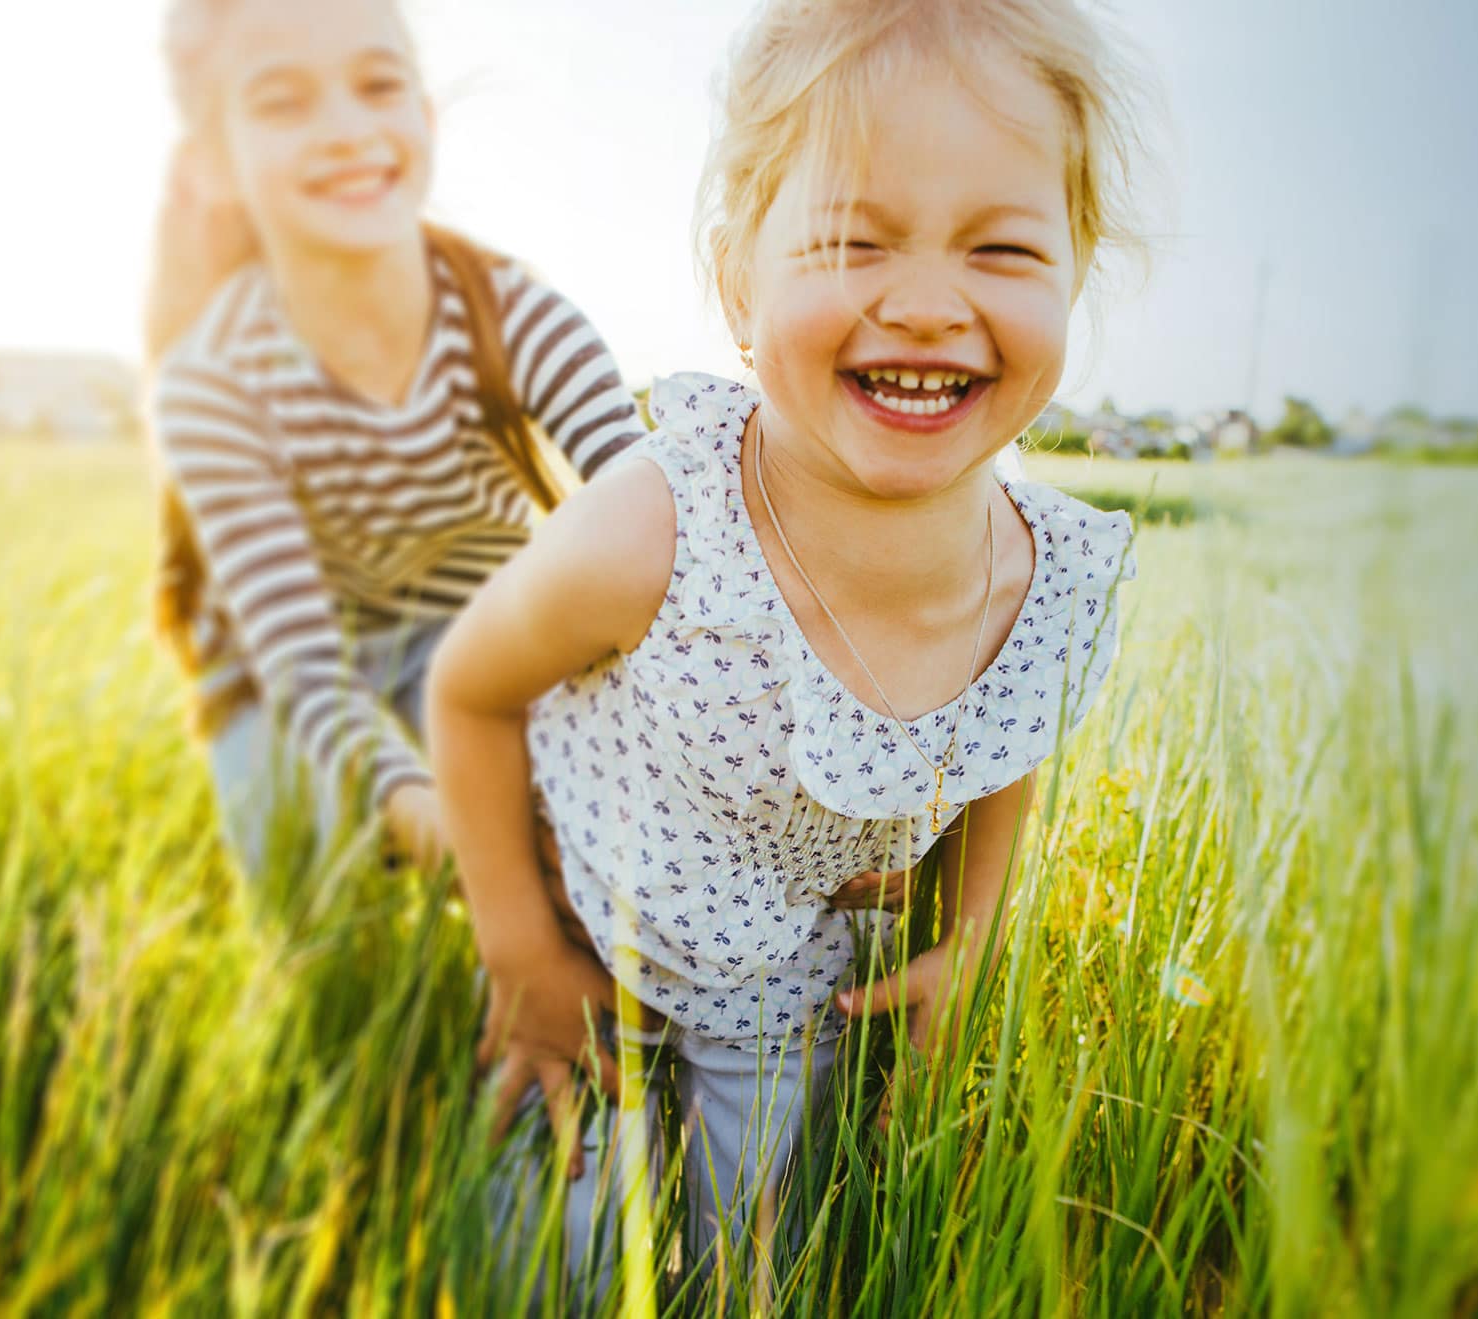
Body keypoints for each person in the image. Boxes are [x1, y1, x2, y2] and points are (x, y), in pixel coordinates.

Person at [427, 0, 1150, 1299]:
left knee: (756, 1259)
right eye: (849, 238)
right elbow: (472, 692)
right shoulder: (653, 525)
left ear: (1076, 268)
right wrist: (519, 948)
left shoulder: (1055, 576)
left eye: (1003, 247)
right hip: (594, 944)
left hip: (788, 994)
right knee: (562, 1265)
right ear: (735, 281)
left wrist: (968, 933)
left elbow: (1009, 740)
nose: (928, 304)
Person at [145, 0, 648, 884]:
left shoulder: (518, 319)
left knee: (596, 827)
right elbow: (304, 666)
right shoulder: (210, 383)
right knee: (320, 903)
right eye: (283, 101)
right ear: (213, 166)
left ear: (424, 116)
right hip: (280, 673)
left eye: (378, 86)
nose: (347, 129)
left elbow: (670, 526)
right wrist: (459, 834)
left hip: (476, 629)